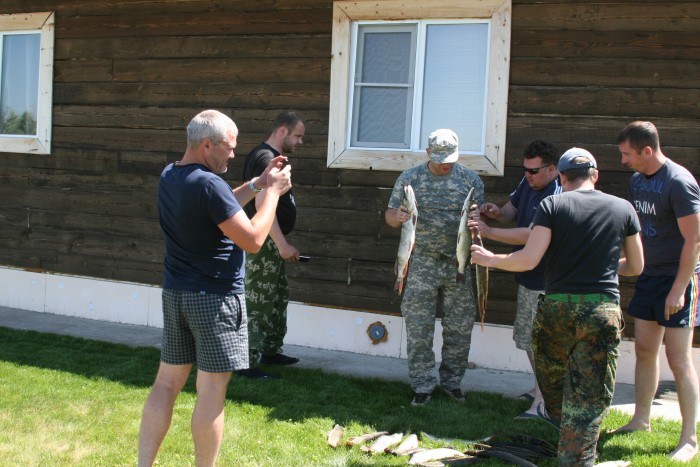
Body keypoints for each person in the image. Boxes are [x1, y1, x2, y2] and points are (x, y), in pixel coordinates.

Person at [471, 147, 644, 465]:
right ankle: (578, 452)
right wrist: (601, 267)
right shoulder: (623, 209)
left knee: (554, 390)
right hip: (601, 311)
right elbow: (635, 266)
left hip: (557, 311)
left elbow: (529, 259)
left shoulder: (552, 205)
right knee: (590, 395)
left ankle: (572, 449)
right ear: (595, 175)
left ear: (561, 176)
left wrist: (489, 259)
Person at [138, 109, 292, 466]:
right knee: (211, 392)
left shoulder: (171, 175)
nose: (234, 154)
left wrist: (256, 183)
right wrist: (272, 194)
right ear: (207, 145)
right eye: (229, 147)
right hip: (216, 301)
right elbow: (253, 239)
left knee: (165, 385)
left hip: (177, 294)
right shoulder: (209, 184)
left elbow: (220, 207)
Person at [610, 121, 700, 462]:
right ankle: (640, 420)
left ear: (647, 151)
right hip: (649, 275)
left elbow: (695, 240)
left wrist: (678, 289)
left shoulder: (679, 183)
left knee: (679, 358)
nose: (623, 160)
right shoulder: (637, 181)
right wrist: (624, 262)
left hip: (680, 279)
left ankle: (689, 438)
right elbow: (641, 234)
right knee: (646, 348)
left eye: (627, 154)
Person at [385, 128, 484, 406]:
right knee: (418, 328)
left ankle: (452, 383)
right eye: (440, 158)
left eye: (450, 158)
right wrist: (399, 215)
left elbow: (477, 221)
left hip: (458, 264)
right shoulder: (410, 178)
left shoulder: (470, 180)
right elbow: (390, 217)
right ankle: (422, 384)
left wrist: (478, 217)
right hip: (421, 263)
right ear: (428, 153)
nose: (445, 163)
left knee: (459, 327)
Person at [469, 139, 561, 419]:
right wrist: (495, 213)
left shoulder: (556, 195)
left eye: (533, 171)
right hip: (527, 275)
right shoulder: (528, 185)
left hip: (547, 281)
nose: (527, 175)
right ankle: (538, 389)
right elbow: (512, 213)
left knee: (542, 344)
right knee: (527, 339)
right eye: (525, 169)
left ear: (552, 169)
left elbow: (531, 234)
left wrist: (489, 232)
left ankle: (543, 405)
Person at [236, 111, 305, 379]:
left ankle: (270, 351)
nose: (299, 142)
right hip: (265, 243)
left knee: (276, 298)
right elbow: (261, 204)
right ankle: (245, 363)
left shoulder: (267, 156)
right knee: (259, 302)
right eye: (298, 136)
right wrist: (282, 244)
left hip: (270, 243)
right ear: (283, 130)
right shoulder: (267, 159)